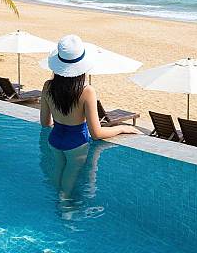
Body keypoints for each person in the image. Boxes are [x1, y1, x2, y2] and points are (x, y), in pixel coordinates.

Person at [40, 34, 139, 198]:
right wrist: (122, 128)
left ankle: (56, 207)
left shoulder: (48, 86)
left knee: (57, 180)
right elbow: (96, 133)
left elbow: (45, 123)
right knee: (67, 188)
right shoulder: (87, 91)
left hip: (55, 141)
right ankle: (65, 211)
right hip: (76, 144)